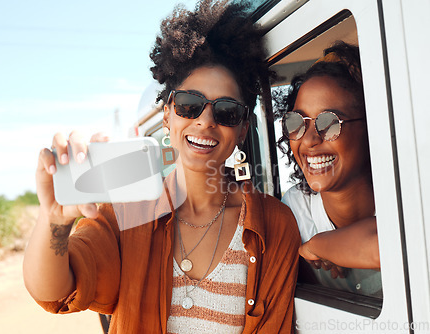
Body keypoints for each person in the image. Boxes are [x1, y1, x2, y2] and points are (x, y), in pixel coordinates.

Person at [23, 1, 300, 333]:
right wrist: (53, 221)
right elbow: (54, 293)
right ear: (167, 114)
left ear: (242, 129)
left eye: (226, 111)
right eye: (189, 105)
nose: (205, 121)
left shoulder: (275, 225)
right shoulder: (127, 212)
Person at [276, 41, 381, 297]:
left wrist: (319, 245)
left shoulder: (410, 189)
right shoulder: (294, 210)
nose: (310, 140)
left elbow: (398, 244)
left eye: (329, 123)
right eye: (296, 122)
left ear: (371, 127)